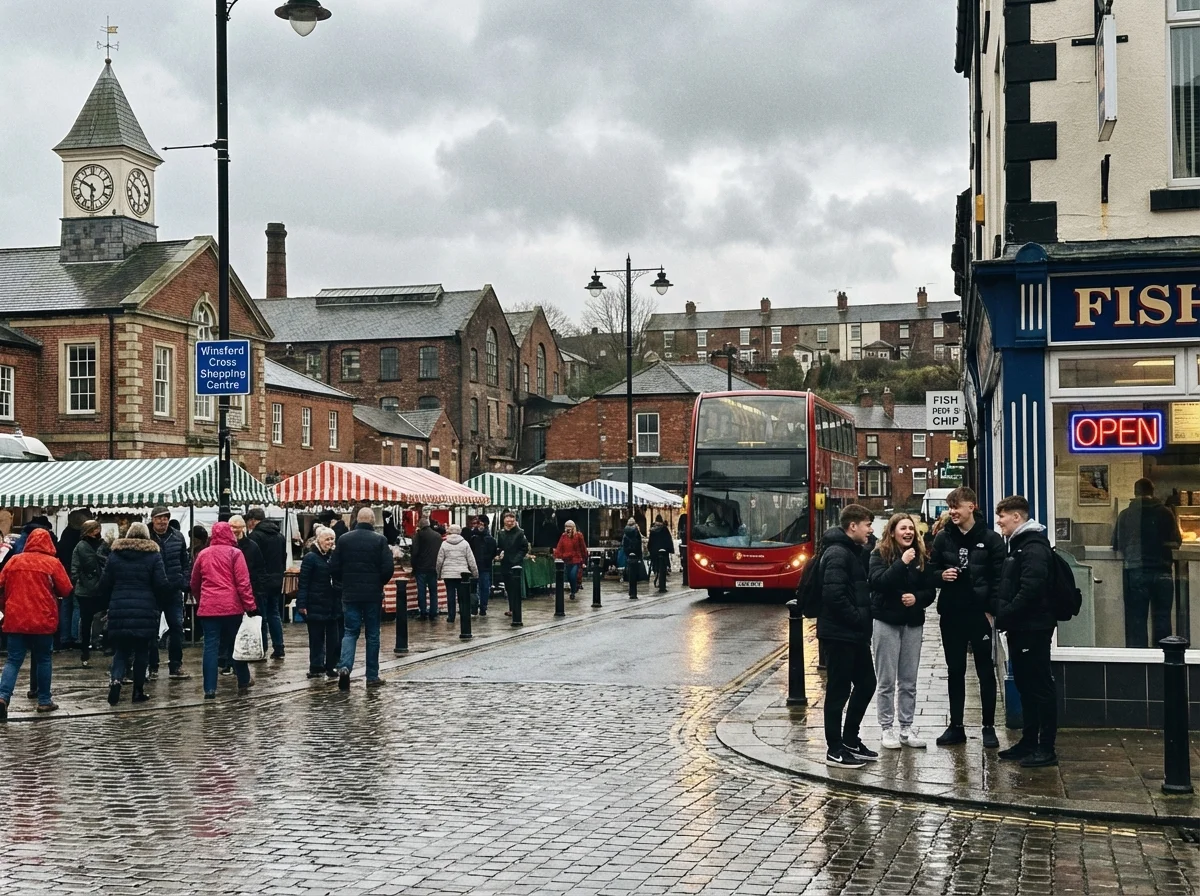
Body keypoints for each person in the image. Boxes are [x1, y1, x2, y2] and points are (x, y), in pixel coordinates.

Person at [928, 486, 1005, 749]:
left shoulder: (991, 539)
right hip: (951, 613)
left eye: (956, 507)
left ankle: (988, 727)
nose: (952, 512)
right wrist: (941, 576)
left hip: (979, 614)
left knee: (985, 671)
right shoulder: (943, 538)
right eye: (950, 507)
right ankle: (956, 726)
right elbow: (929, 571)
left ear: (971, 507)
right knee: (955, 670)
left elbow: (999, 579)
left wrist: (991, 609)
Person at [994, 495, 1059, 768]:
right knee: (1025, 684)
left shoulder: (1033, 548)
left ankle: (1046, 748)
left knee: (1039, 686)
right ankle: (1029, 742)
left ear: (1017, 517)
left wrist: (1005, 613)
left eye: (1002, 517)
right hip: (1021, 627)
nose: (999, 522)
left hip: (1034, 628)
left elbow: (1031, 589)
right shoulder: (1019, 545)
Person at [817, 504, 878, 769]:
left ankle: (850, 740)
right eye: (867, 524)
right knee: (838, 691)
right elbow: (834, 596)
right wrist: (858, 618)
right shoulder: (837, 553)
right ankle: (834, 750)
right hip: (840, 634)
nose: (870, 530)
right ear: (853, 526)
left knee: (867, 683)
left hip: (854, 634)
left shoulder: (851, 551)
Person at [869, 513, 935, 750]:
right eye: (903, 528)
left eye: (910, 528)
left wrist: (917, 598)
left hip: (912, 623)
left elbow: (930, 590)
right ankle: (886, 728)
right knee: (886, 680)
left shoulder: (921, 556)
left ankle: (906, 728)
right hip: (886, 621)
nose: (908, 532)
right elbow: (878, 582)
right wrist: (902, 563)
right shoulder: (879, 554)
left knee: (908, 681)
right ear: (892, 532)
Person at [0, 527, 73, 720]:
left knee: (13, 661)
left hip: (16, 618)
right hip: (42, 619)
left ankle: (2, 697)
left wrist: (5, 605)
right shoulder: (52, 563)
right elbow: (66, 589)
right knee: (43, 659)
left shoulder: (14, 561)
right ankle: (44, 700)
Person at [98, 522, 172, 706]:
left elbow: (104, 583)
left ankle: (116, 680)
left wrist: (108, 603)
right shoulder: (153, 556)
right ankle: (138, 691)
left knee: (121, 650)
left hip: (119, 608)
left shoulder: (115, 555)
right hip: (145, 609)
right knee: (141, 651)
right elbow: (161, 584)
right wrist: (160, 602)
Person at [1112, 478, 1181, 648]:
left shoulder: (1125, 515)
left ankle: (1139, 657)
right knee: (1162, 618)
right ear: (1152, 491)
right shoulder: (1166, 513)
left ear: (1135, 493)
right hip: (1162, 572)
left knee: (1137, 620)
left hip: (1135, 572)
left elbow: (1116, 544)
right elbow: (1177, 541)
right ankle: (1163, 655)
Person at [191, 521, 257, 699]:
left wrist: (202, 600)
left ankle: (209, 689)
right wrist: (250, 606)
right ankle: (243, 679)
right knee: (236, 645)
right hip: (231, 607)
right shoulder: (235, 553)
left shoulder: (203, 554)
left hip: (209, 608)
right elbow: (243, 583)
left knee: (210, 647)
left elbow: (194, 582)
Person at [331, 508, 395, 691]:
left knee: (350, 632)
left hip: (350, 593)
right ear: (373, 520)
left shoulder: (344, 539)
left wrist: (344, 582)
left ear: (357, 520)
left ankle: (345, 667)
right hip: (372, 595)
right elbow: (388, 568)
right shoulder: (380, 540)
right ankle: (372, 676)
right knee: (372, 634)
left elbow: (334, 567)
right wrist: (379, 582)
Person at [148, 506, 191, 680]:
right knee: (151, 630)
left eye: (165, 518)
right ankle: (152, 666)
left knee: (177, 627)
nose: (162, 521)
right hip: (153, 591)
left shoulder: (177, 537)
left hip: (173, 590)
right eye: (159, 518)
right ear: (152, 519)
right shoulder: (146, 537)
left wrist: (184, 581)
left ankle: (175, 665)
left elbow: (185, 562)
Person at [296, 525, 340, 680]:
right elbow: (303, 582)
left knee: (333, 638)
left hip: (332, 603)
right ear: (319, 540)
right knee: (316, 638)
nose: (330, 542)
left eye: (332, 539)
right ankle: (316, 666)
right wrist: (302, 604)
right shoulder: (310, 558)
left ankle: (331, 666)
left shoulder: (333, 557)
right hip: (315, 603)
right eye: (327, 539)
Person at [246, 507, 287, 660]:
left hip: (261, 581)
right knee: (274, 613)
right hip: (277, 580)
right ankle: (279, 647)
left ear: (252, 520)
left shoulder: (254, 537)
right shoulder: (279, 536)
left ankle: (262, 649)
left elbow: (253, 560)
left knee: (261, 616)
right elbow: (283, 558)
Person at [228, 515, 268, 669]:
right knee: (234, 625)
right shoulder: (227, 546)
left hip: (252, 590)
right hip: (232, 592)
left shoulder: (252, 546)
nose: (234, 530)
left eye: (237, 527)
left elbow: (260, 568)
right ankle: (234, 656)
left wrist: (258, 589)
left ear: (243, 527)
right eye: (231, 527)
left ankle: (259, 650)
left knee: (257, 621)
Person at [70, 520, 107, 668]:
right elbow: (75, 568)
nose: (96, 532)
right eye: (93, 530)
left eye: (98, 529)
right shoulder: (80, 547)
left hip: (102, 587)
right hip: (85, 590)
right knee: (86, 621)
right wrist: (79, 580)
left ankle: (100, 641)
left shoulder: (104, 544)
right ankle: (85, 650)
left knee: (104, 616)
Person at [436, 524, 478, 624]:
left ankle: (451, 616)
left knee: (450, 595)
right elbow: (471, 560)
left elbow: (439, 560)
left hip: (448, 574)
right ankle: (463, 614)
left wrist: (438, 573)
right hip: (462, 574)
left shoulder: (444, 544)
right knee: (462, 595)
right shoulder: (465, 543)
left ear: (449, 532)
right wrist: (475, 573)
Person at [411, 516, 444, 620]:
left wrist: (413, 567)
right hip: (434, 567)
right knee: (433, 591)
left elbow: (415, 552)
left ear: (420, 526)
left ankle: (423, 612)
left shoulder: (418, 536)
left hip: (421, 568)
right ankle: (433, 612)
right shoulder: (438, 536)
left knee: (422, 591)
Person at [496, 512, 529, 614]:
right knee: (508, 587)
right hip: (505, 563)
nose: (509, 523)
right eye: (507, 521)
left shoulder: (520, 533)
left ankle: (516, 609)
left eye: (511, 521)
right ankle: (511, 608)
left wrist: (516, 559)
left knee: (515, 587)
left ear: (514, 521)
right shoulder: (500, 533)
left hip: (515, 564)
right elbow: (499, 546)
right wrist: (499, 554)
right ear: (504, 521)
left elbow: (524, 548)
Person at [467, 515, 498, 616]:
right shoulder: (473, 537)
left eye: (481, 523)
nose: (479, 525)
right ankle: (477, 607)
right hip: (479, 566)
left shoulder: (475, 538)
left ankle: (481, 608)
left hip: (481, 566)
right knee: (478, 588)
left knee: (480, 588)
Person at [553, 520, 588, 599]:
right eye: (566, 526)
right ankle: (575, 587)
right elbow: (559, 546)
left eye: (569, 526)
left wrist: (584, 558)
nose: (568, 528)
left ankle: (573, 592)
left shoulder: (578, 535)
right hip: (567, 560)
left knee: (573, 575)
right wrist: (557, 555)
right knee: (569, 577)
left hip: (576, 559)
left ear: (573, 527)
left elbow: (583, 547)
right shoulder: (563, 536)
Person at [647, 517, 674, 593]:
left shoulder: (653, 530)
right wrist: (670, 549)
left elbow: (650, 542)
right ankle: (662, 585)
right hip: (663, 551)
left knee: (656, 567)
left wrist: (650, 550)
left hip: (655, 552)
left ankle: (657, 578)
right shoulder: (664, 529)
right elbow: (668, 539)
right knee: (663, 568)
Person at [621, 518, 645, 583]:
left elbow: (624, 543)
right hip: (636, 551)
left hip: (628, 551)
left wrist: (626, 550)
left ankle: (627, 577)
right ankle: (638, 577)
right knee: (637, 565)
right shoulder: (636, 531)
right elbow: (639, 542)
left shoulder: (625, 532)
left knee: (628, 564)